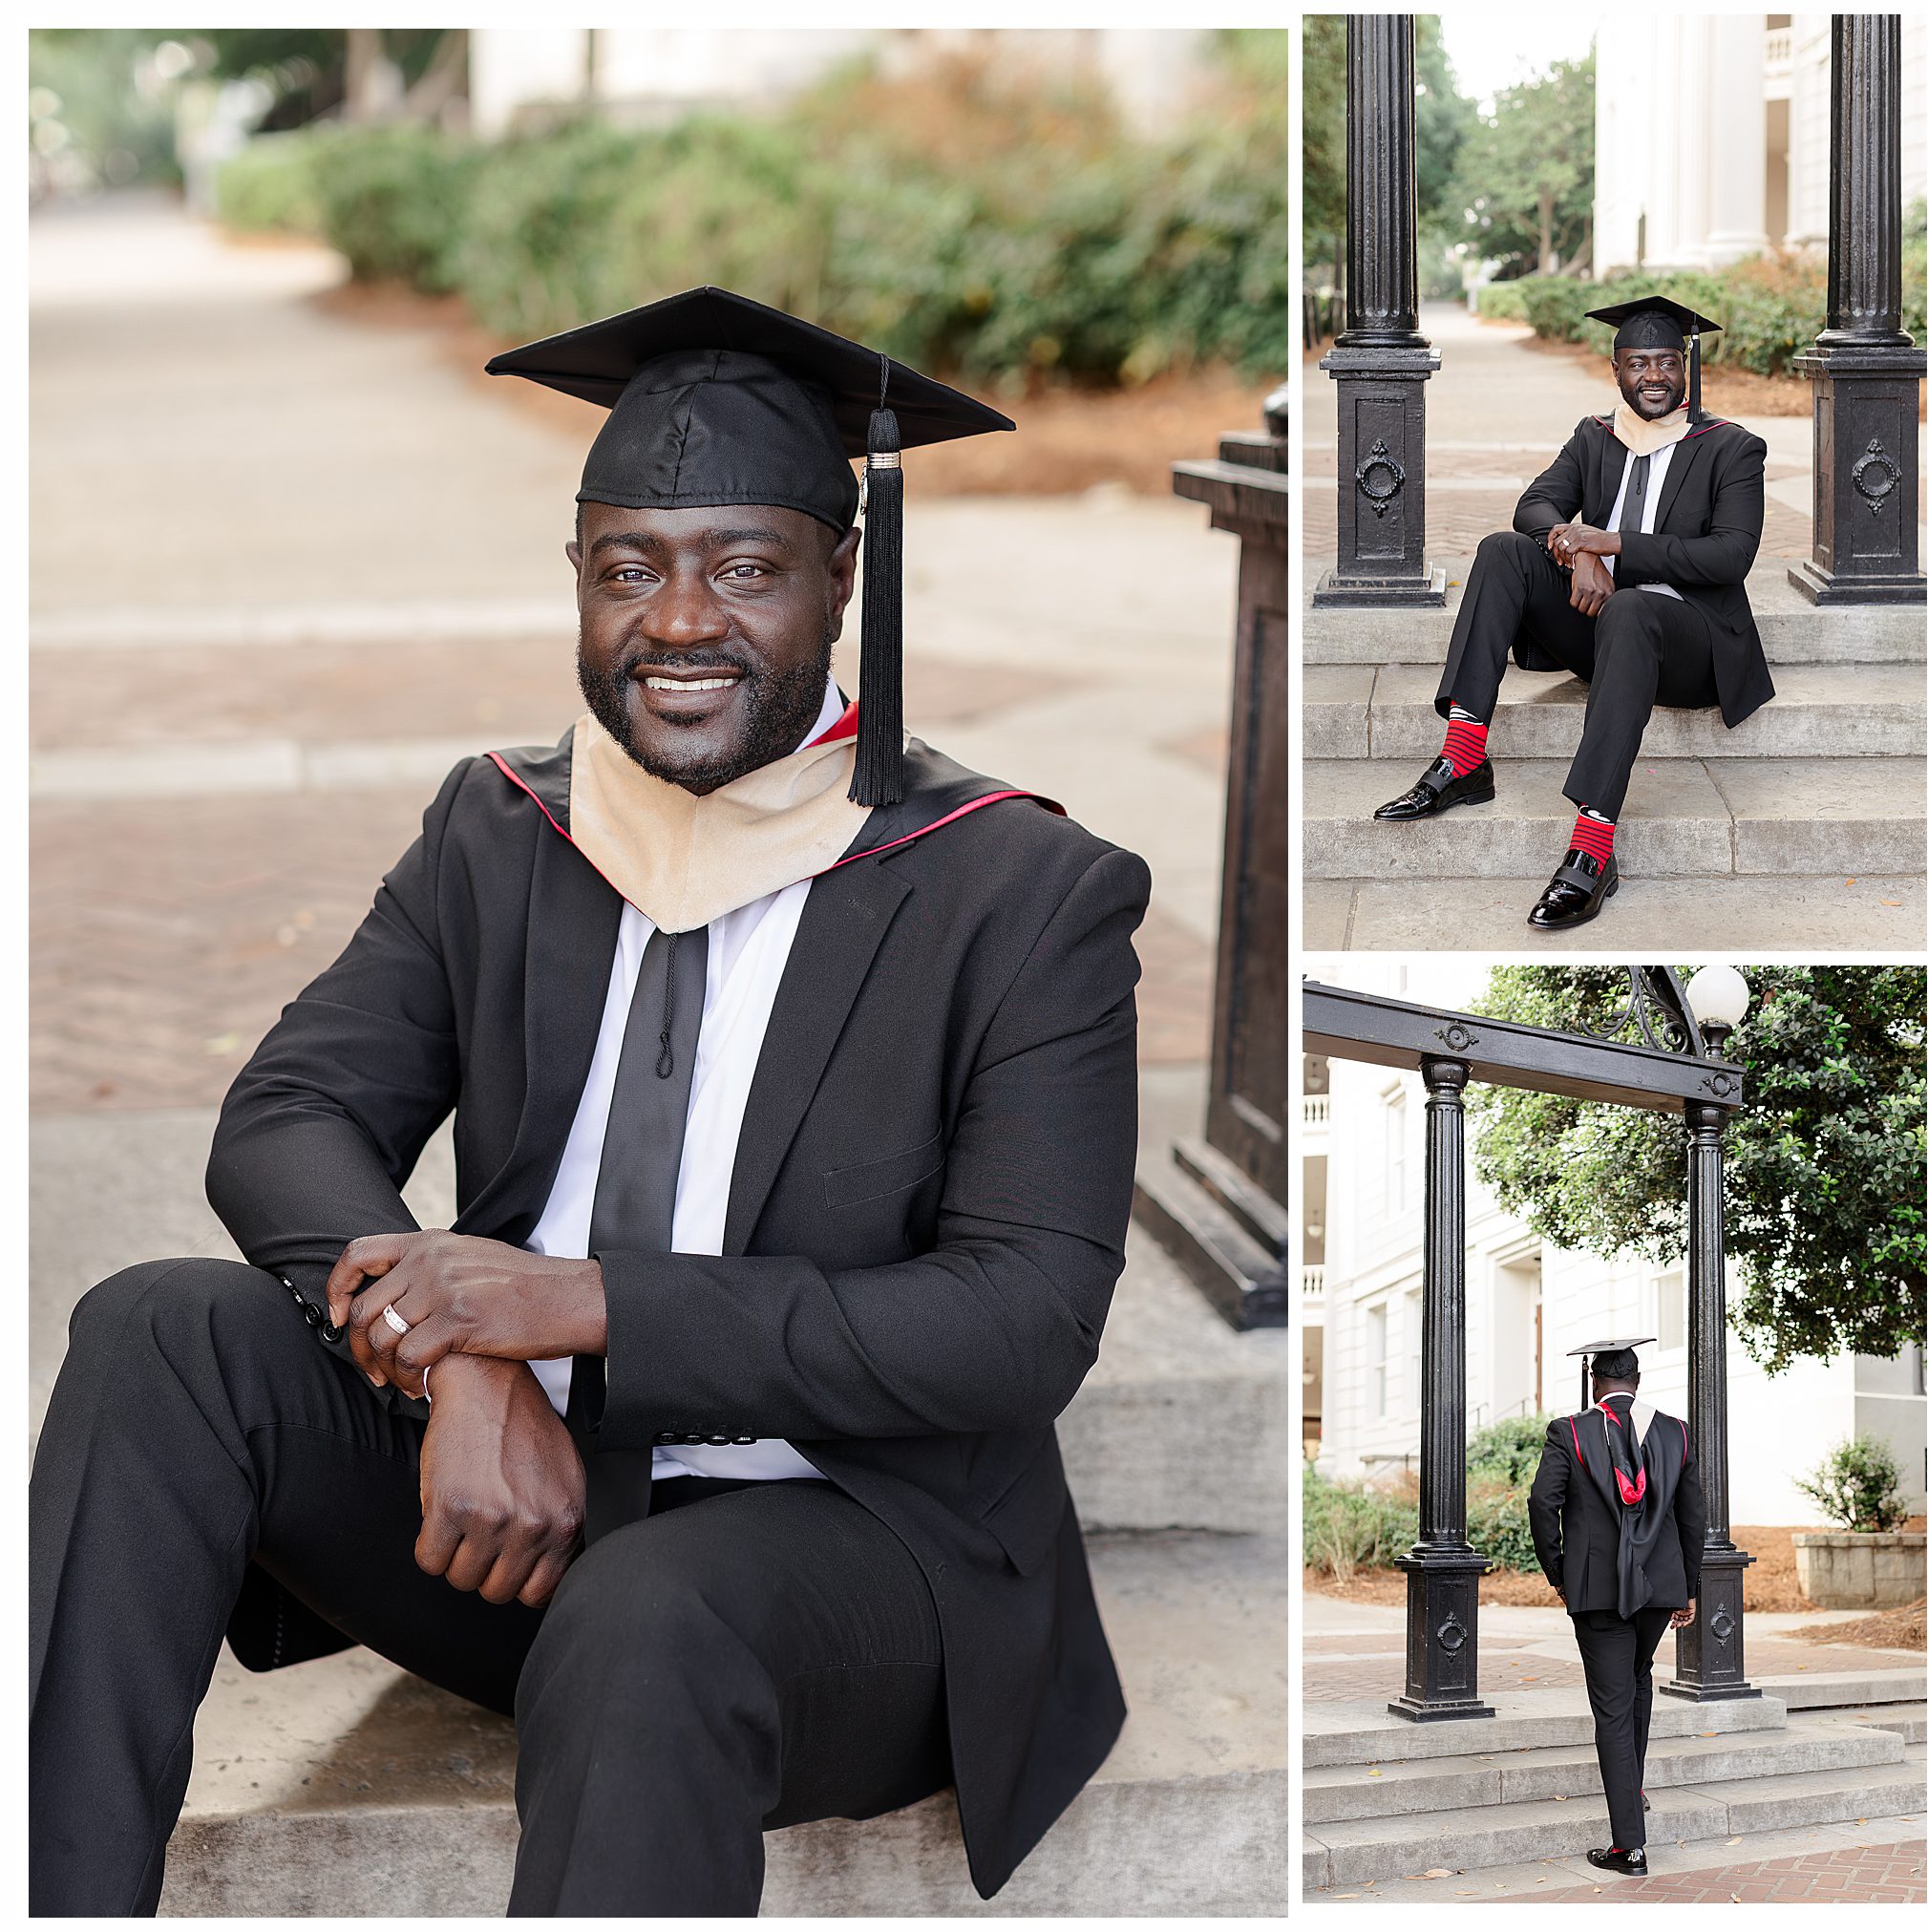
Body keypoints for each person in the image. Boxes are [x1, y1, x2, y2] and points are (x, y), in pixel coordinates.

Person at [30, 287, 1151, 1916]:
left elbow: (1017, 1320)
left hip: (848, 1552)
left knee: (652, 1608)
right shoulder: (501, 828)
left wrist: (579, 1307)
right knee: (155, 1331)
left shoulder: (1017, 889)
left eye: (743, 566)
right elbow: (286, 1113)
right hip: (512, 1515)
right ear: (578, 580)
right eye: (629, 566)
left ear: (843, 575)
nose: (678, 619)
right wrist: (460, 1351)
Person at [1372, 295, 1773, 932]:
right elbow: (1533, 506)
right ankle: (1465, 756)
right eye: (1638, 363)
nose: (1653, 376)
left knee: (1635, 609)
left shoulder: (1731, 448)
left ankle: (1592, 848)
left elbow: (1730, 557)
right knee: (1504, 552)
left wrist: (1610, 543)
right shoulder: (1596, 435)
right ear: (1615, 370)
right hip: (1603, 626)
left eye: (1667, 362)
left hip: (1689, 640)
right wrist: (1571, 548)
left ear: (1686, 369)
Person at [1527, 1338, 1706, 1878]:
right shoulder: (1674, 1431)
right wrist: (1689, 1586)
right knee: (1638, 1681)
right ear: (1637, 1380)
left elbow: (1542, 1503)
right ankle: (1634, 1789)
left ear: (1595, 1382)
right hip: (1658, 1591)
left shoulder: (1570, 1431)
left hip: (1598, 1592)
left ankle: (1628, 1846)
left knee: (1612, 1705)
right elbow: (1694, 1513)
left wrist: (1560, 1574)